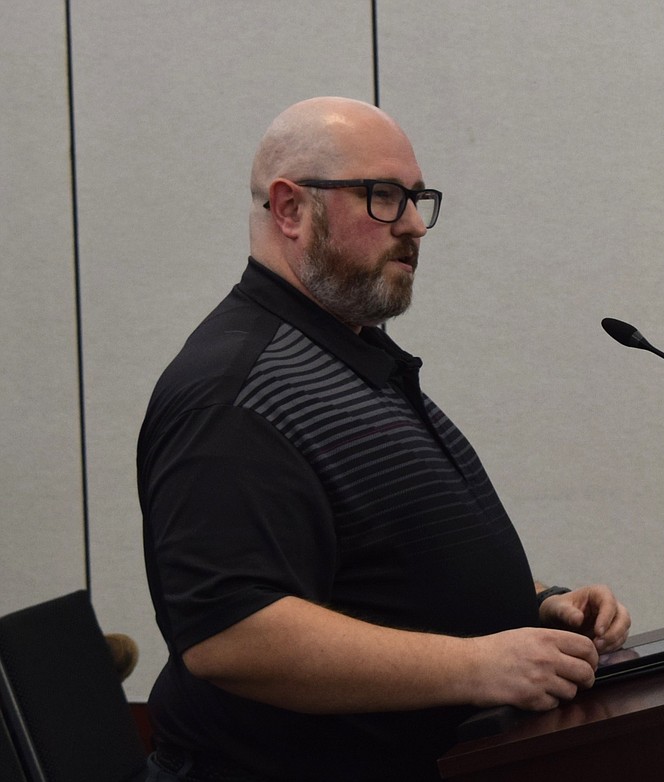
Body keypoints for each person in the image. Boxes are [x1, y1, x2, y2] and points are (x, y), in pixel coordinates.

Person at [137, 96, 631, 781]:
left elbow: (383, 563)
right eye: (382, 197)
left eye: (416, 198)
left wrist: (538, 601)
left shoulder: (345, 353)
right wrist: (480, 666)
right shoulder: (233, 389)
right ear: (289, 209)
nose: (414, 226)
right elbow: (232, 634)